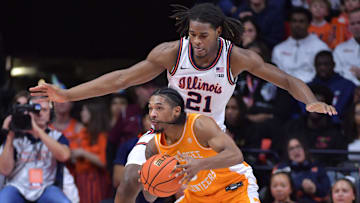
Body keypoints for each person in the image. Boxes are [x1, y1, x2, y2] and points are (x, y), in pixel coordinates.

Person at [29, 3, 337, 203]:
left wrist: (310, 100)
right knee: (130, 181)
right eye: (193, 35)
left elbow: (284, 79)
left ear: (218, 32)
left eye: (204, 35)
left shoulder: (236, 58)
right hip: (168, 131)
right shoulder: (172, 52)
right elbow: (122, 78)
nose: (198, 42)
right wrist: (68, 95)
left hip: (206, 137)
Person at [144, 87, 259, 202]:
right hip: (198, 197)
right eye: (150, 109)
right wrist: (148, 181)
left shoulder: (199, 125)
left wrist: (200, 164)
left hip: (234, 187)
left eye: (159, 108)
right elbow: (150, 197)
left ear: (176, 111)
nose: (153, 114)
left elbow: (236, 155)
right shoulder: (153, 147)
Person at [0, 97, 71, 203]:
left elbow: (64, 156)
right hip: (17, 187)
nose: (40, 113)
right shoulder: (17, 137)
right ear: (28, 112)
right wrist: (10, 135)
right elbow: (5, 170)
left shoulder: (56, 136)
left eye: (45, 110)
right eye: (36, 110)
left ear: (50, 114)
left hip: (46, 188)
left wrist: (36, 130)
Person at [272, 6, 330, 83]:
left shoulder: (320, 47)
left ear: (309, 24)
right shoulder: (279, 49)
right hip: (284, 89)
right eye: (294, 21)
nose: (297, 25)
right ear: (289, 23)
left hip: (311, 88)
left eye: (301, 21)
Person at [273, 137, 331, 203]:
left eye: (298, 146)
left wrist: (315, 188)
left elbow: (326, 191)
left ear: (304, 149)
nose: (296, 151)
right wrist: (301, 184)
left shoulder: (317, 166)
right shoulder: (282, 168)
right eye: (291, 148)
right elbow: (274, 187)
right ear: (287, 153)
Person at [333, 8, 360, 86]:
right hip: (347, 90)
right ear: (348, 27)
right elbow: (337, 73)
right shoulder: (339, 49)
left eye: (359, 22)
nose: (356, 27)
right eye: (352, 23)